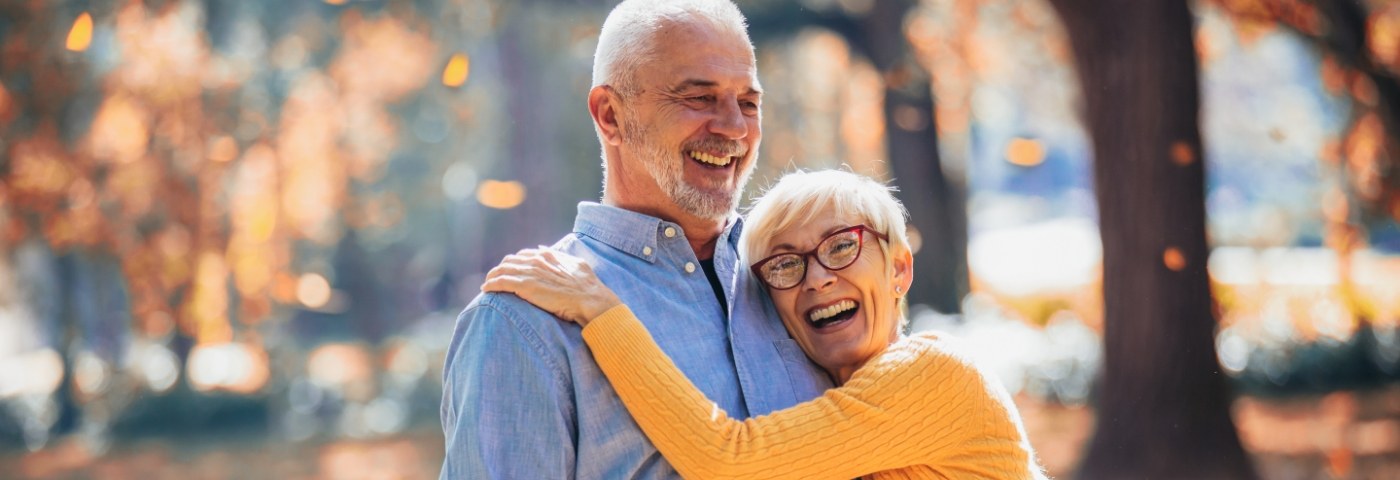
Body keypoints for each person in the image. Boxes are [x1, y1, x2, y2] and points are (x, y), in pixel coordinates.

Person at [438, 1, 833, 478]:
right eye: (699, 98)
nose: (734, 127)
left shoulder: (809, 283)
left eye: (748, 103)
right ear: (610, 115)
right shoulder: (524, 322)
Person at [483, 169, 1047, 479]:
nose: (817, 279)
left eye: (842, 247)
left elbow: (726, 458)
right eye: (785, 264)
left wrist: (602, 312)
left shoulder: (934, 373)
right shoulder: (833, 400)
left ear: (899, 268)